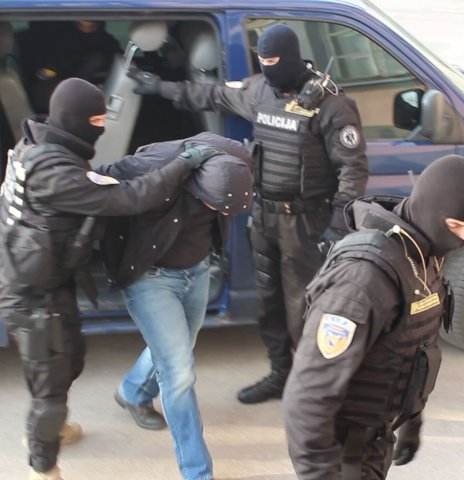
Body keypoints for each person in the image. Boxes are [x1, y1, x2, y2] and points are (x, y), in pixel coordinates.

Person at [127, 23, 369, 404]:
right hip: (263, 217)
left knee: (306, 307)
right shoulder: (259, 90)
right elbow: (211, 95)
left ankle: (315, 389)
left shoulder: (331, 105)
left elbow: (352, 170)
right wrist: (159, 87)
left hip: (307, 223)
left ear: (291, 58)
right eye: (264, 62)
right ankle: (280, 375)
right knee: (268, 302)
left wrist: (338, 226)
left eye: (275, 63)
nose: (269, 70)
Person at [0, 77, 223, 480]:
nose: (102, 127)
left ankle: (50, 431)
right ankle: (43, 465)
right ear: (74, 120)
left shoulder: (34, 145)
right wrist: (182, 164)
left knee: (66, 363)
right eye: (97, 121)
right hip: (31, 292)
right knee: (50, 384)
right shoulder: (55, 174)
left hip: (43, 277)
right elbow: (127, 198)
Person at [283, 154, 464, 479]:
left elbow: (417, 344)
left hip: (377, 436)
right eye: (455, 226)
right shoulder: (362, 280)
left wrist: (411, 420)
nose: (462, 239)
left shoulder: (424, 253)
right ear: (429, 210)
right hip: (342, 454)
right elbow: (307, 398)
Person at [97, 132, 253, 480]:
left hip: (198, 270)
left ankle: (133, 391)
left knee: (178, 348)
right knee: (179, 372)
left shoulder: (237, 162)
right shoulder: (156, 164)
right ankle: (198, 472)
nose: (223, 214)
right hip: (150, 277)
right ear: (200, 186)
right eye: (218, 207)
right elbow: (100, 177)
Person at [15, 21, 121, 113]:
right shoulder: (44, 48)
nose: (88, 29)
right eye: (81, 25)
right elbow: (44, 81)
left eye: (93, 26)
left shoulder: (107, 45)